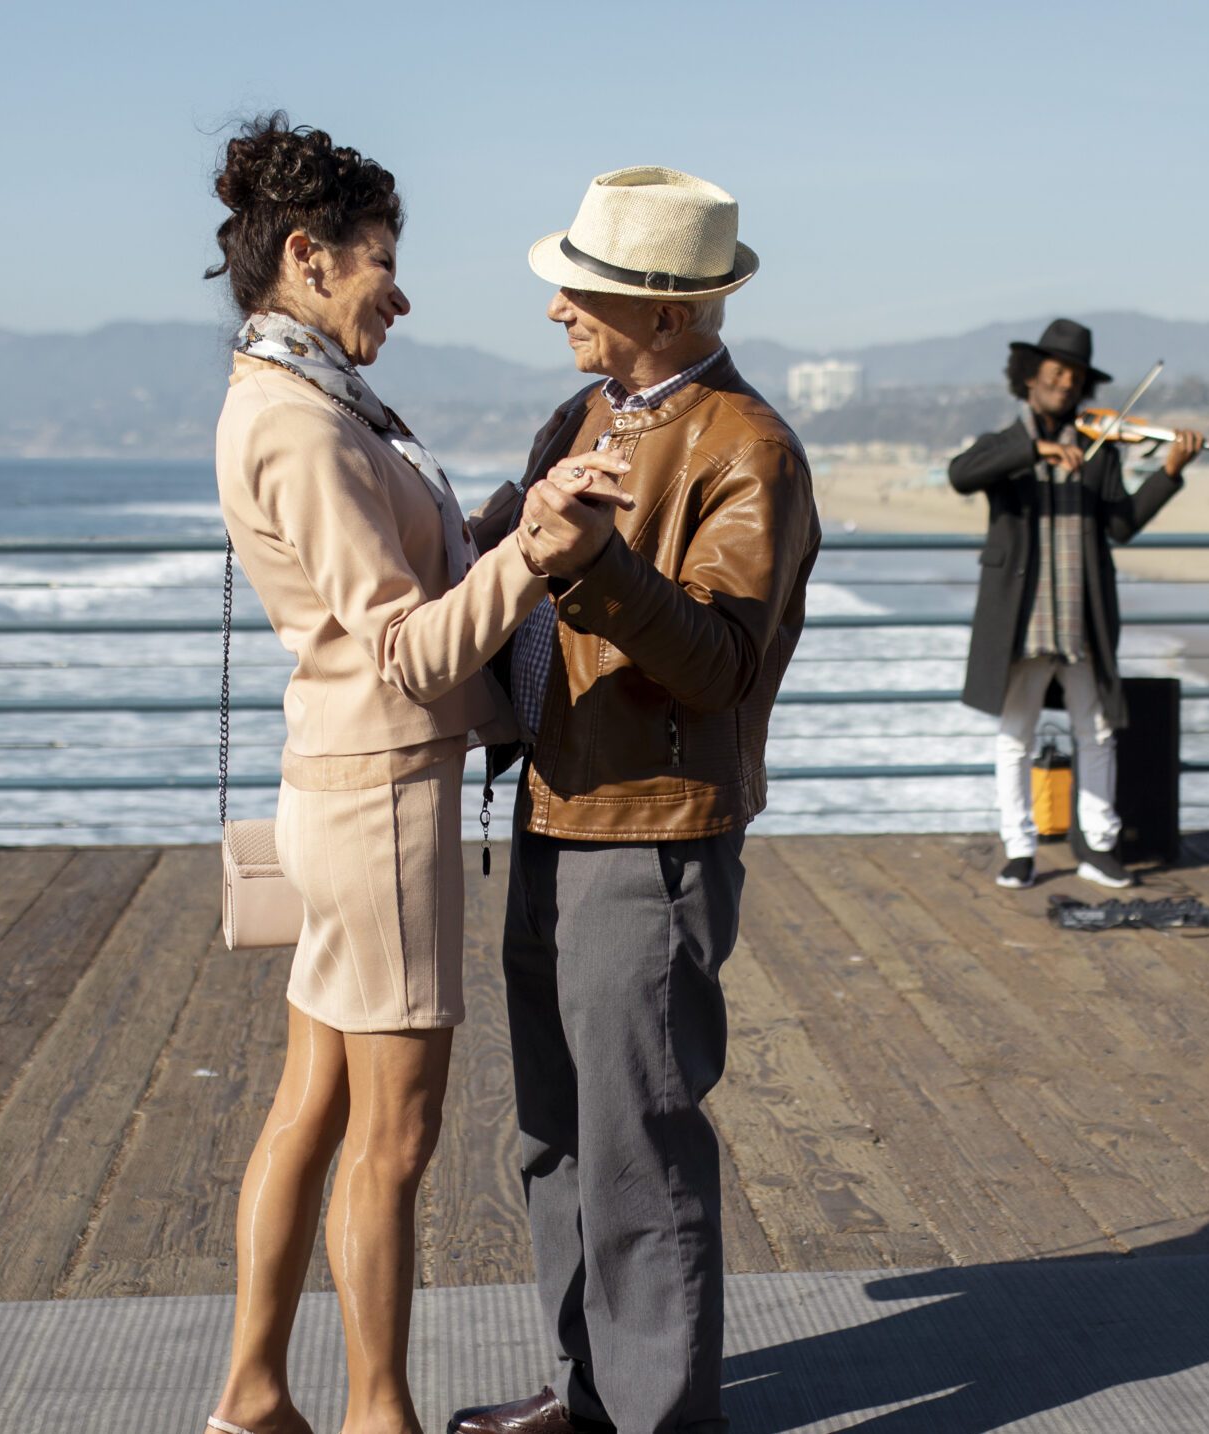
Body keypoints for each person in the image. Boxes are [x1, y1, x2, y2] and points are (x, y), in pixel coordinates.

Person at [202, 116, 629, 1434]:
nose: (399, 291)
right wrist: (538, 552)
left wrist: (496, 522)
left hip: (338, 785)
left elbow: (384, 595)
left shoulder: (299, 394)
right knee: (393, 1142)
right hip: (381, 801)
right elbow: (401, 650)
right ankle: (375, 1415)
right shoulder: (303, 425)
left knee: (312, 1107)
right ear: (308, 255)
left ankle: (254, 1395)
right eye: (381, 260)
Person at [450, 167, 820, 1434]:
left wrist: (595, 564)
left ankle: (654, 1417)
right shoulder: (584, 413)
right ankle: (588, 1396)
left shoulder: (750, 449)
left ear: (664, 311)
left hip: (651, 832)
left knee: (638, 1149)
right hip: (557, 807)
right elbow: (509, 561)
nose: (557, 306)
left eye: (583, 289)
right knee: (555, 1135)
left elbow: (720, 664)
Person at [949, 319, 1203, 891]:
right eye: (1057, 372)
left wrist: (1168, 472)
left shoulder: (1099, 449)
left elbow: (1121, 525)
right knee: (1016, 735)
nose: (1066, 383)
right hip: (1023, 620)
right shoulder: (1003, 445)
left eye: (1075, 376)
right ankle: (1020, 849)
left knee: (1098, 732)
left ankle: (1100, 846)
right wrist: (1034, 450)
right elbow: (961, 474)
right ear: (1030, 376)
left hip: (1083, 617)